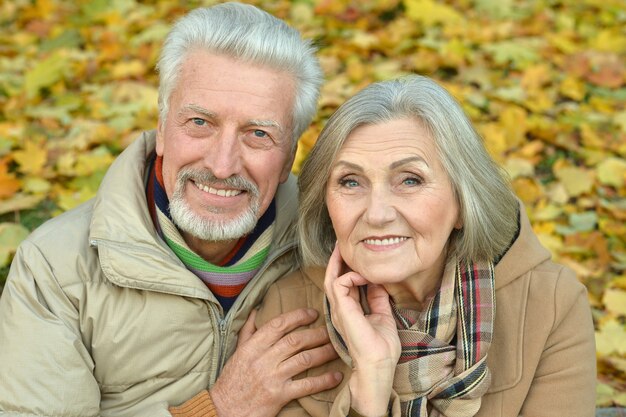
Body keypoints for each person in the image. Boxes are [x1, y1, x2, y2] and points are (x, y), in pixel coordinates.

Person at [0, 3, 344, 416]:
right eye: (200, 123)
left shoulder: (331, 250)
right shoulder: (56, 269)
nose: (222, 165)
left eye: (258, 133)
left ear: (289, 154)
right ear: (162, 128)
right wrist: (221, 407)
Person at [255, 75, 597, 416]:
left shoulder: (551, 304)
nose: (376, 213)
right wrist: (370, 387)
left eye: (410, 180)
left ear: (463, 203)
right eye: (351, 181)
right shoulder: (290, 310)